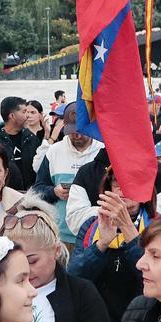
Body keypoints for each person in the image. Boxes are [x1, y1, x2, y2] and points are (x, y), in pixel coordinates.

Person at [3, 195, 111, 322]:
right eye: (16, 261)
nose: (26, 270)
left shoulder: (81, 293)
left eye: (32, 260)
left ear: (56, 250)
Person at [68, 167, 152, 322]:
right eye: (117, 184)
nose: (123, 190)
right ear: (108, 190)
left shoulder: (158, 226)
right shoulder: (91, 226)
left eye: (131, 184)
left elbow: (156, 273)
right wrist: (101, 245)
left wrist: (129, 231)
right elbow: (73, 276)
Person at [32, 103, 103, 245]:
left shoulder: (103, 151)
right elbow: (37, 189)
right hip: (62, 236)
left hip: (98, 234)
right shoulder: (54, 152)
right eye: (72, 131)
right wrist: (54, 192)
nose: (77, 135)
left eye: (81, 131)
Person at [0, 96, 41, 189]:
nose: (27, 115)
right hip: (3, 194)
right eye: (24, 112)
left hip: (29, 196)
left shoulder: (31, 138)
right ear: (12, 116)